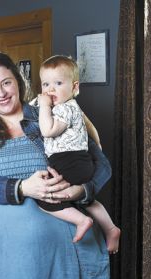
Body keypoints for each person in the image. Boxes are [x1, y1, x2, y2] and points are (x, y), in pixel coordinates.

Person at [0, 51, 111, 279]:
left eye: (6, 82)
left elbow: (101, 164)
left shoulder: (51, 116)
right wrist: (21, 187)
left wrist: (82, 191)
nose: (1, 93)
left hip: (66, 247)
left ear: (18, 83)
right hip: (9, 258)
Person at [36, 55, 121, 253]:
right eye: (46, 84)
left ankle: (81, 220)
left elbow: (48, 130)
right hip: (79, 161)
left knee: (46, 199)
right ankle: (111, 228)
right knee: (87, 201)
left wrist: (44, 106)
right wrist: (97, 143)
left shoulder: (65, 108)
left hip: (69, 160)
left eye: (58, 83)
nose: (50, 90)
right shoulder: (70, 107)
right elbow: (89, 128)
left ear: (75, 87)